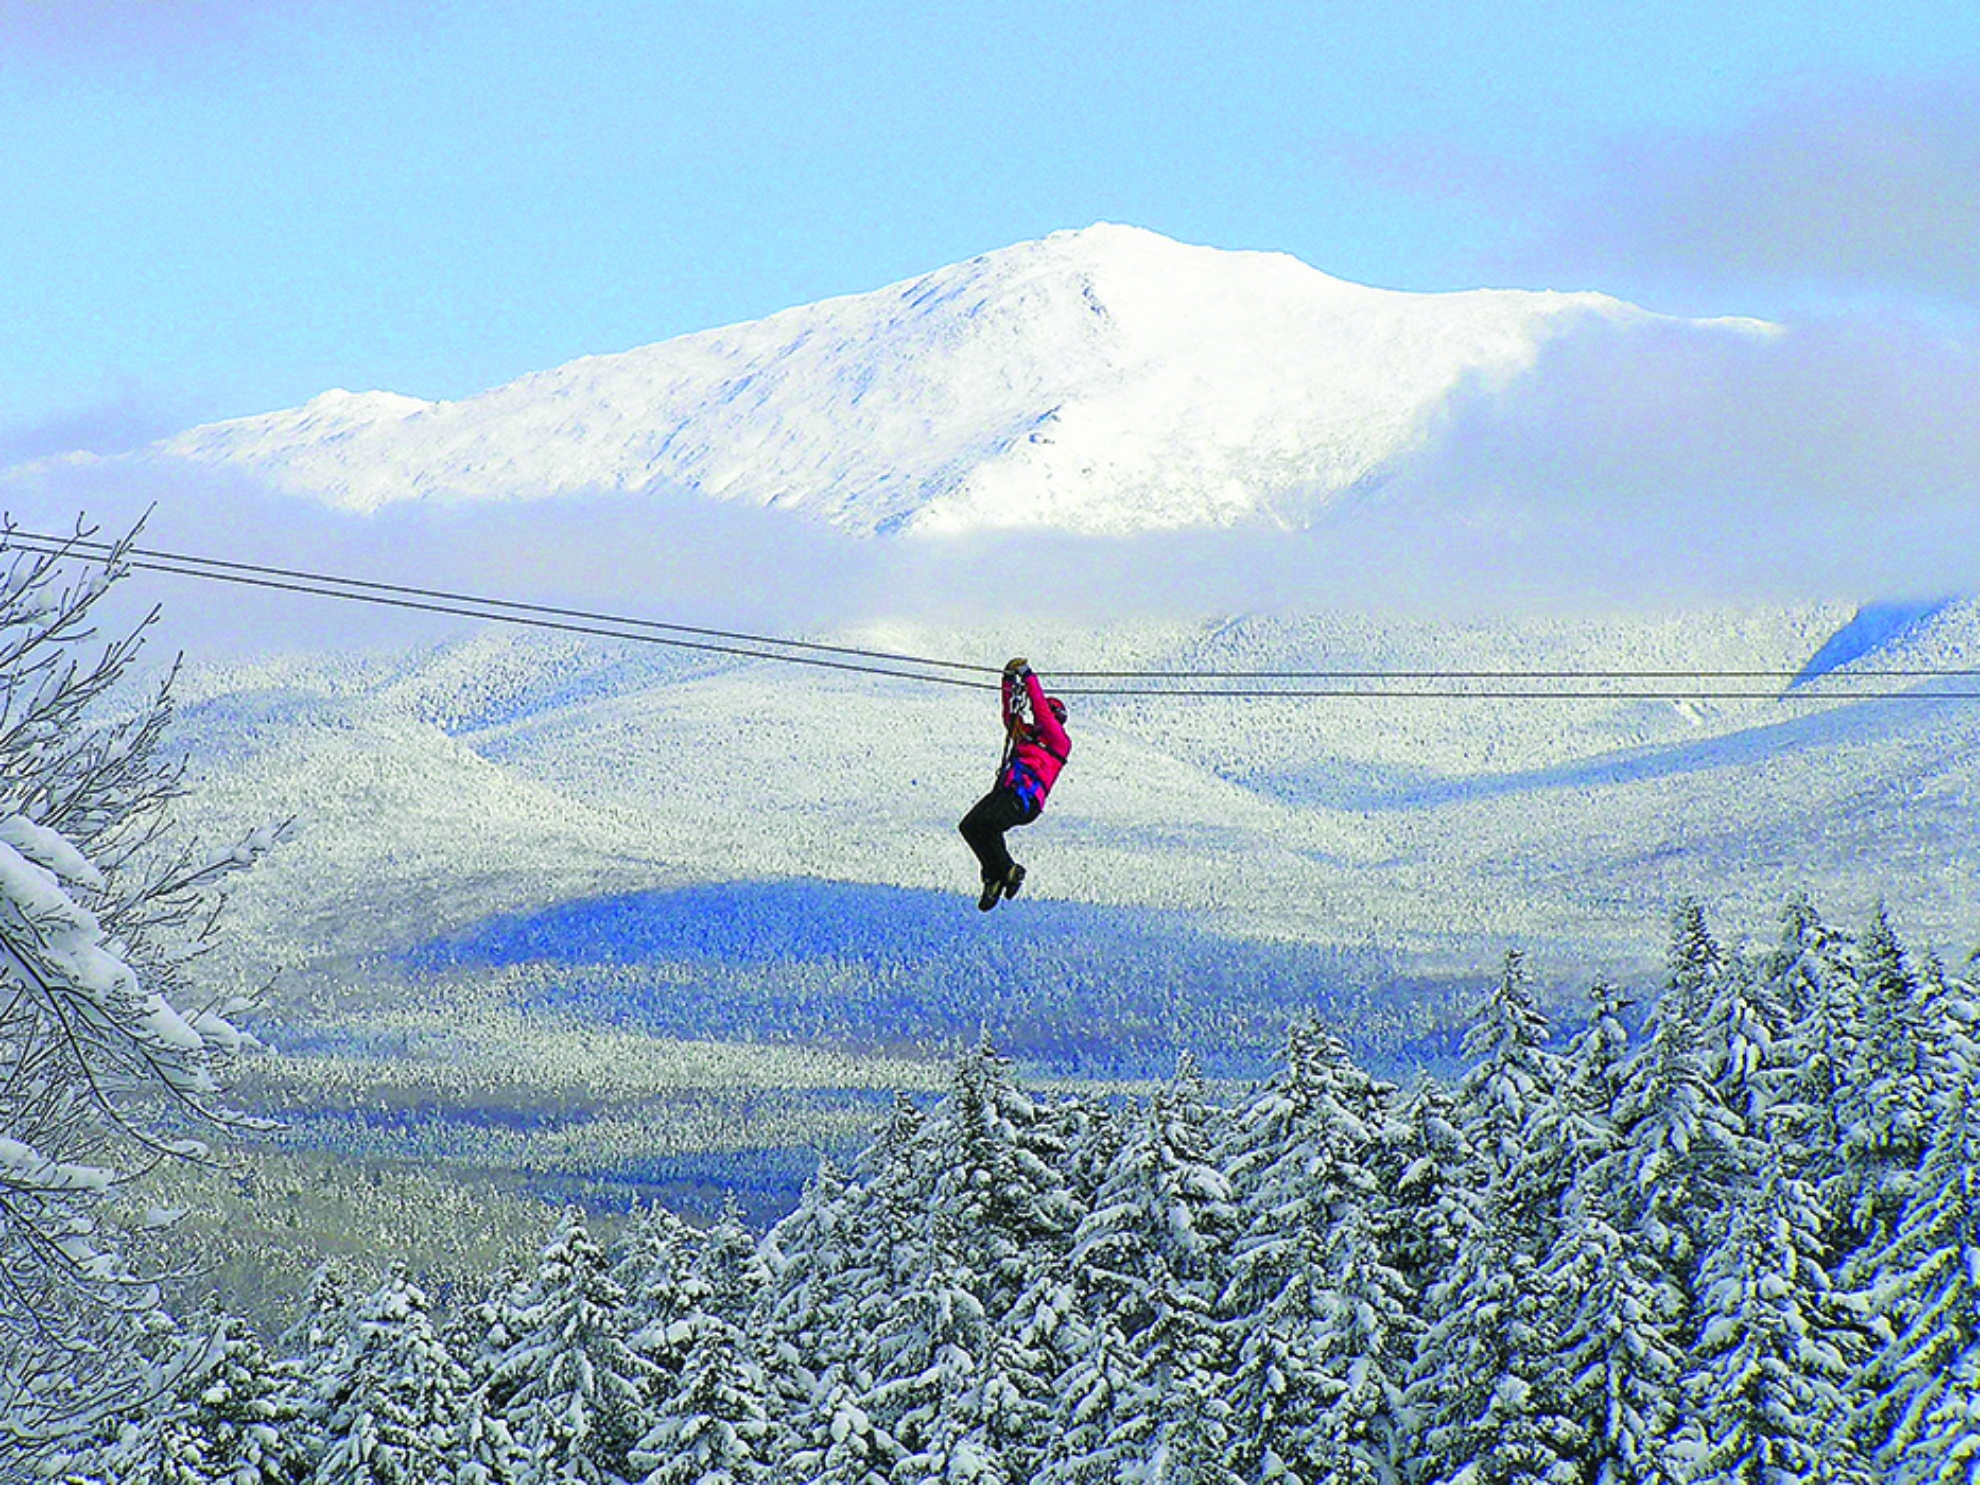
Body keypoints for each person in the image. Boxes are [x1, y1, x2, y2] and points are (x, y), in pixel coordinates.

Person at [959, 657, 1070, 911]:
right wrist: (1008, 681)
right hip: (1006, 793)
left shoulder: (1059, 741)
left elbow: (1040, 708)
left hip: (1023, 800)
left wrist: (1028, 676)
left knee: (986, 826)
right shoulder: (1027, 736)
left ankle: (1009, 870)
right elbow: (1010, 715)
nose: (1037, 717)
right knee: (970, 826)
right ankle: (994, 878)